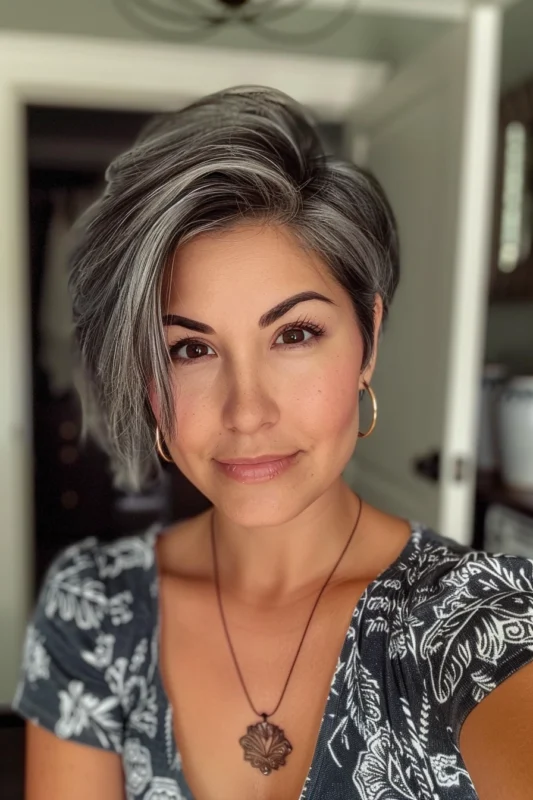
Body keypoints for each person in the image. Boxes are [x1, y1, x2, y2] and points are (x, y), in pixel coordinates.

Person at [12, 86, 533, 800]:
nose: (246, 412)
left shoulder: (470, 623)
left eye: (294, 334)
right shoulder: (93, 611)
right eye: (190, 349)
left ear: (368, 338)